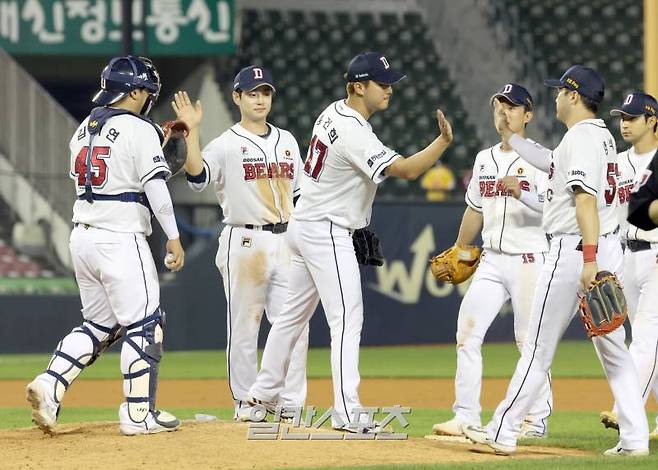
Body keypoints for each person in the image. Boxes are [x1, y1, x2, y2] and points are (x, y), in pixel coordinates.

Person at [247, 51, 453, 433]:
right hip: (325, 230)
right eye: (382, 83)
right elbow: (406, 170)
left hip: (306, 223)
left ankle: (260, 393)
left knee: (292, 315)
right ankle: (346, 412)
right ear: (359, 86)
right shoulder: (355, 131)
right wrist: (442, 143)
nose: (389, 89)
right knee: (346, 319)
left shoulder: (333, 111)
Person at [462, 65, 650, 456]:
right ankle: (635, 439)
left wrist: (589, 259)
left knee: (537, 347)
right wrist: (513, 136)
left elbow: (584, 201)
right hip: (605, 249)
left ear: (574, 96)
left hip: (576, 252)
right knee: (616, 352)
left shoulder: (581, 138)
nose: (556, 96)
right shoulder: (599, 139)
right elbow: (553, 162)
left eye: (561, 91)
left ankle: (503, 430)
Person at [26, 56, 186, 436]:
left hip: (83, 235)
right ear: (133, 91)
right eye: (146, 91)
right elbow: (156, 189)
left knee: (100, 324)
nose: (148, 97)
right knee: (145, 322)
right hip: (119, 236)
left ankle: (50, 385)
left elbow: (111, 169)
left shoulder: (83, 128)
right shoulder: (139, 128)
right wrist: (174, 236)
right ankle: (137, 414)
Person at [180, 66, 309, 421]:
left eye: (265, 92)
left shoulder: (287, 140)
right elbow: (197, 177)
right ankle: (246, 402)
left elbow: (301, 194)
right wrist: (191, 132)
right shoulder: (225, 143)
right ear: (237, 97)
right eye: (252, 93)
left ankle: (289, 402)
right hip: (245, 238)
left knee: (295, 325)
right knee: (245, 326)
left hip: (287, 239)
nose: (260, 99)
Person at [432, 84, 552, 439]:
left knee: (529, 342)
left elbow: (554, 209)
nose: (504, 111)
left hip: (530, 259)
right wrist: (458, 247)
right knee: (467, 334)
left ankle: (536, 419)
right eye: (499, 105)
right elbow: (474, 209)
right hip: (492, 261)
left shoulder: (541, 159)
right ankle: (465, 415)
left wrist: (524, 192)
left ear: (527, 115)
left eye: (512, 106)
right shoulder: (484, 158)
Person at [600, 92, 658, 440]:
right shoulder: (616, 164)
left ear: (652, 120)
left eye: (633, 116)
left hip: (656, 251)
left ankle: (626, 412)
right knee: (647, 341)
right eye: (622, 116)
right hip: (625, 256)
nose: (624, 122)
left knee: (646, 338)